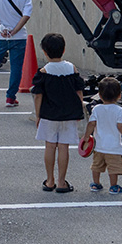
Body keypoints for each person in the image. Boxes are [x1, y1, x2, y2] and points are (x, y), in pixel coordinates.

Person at [32, 33, 84, 193]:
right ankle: (62, 182)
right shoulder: (72, 68)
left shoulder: (44, 71)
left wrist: (38, 115)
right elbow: (79, 91)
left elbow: (38, 95)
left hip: (49, 114)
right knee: (63, 147)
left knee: (50, 146)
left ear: (44, 52)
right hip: (68, 114)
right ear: (64, 49)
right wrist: (79, 110)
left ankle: (50, 181)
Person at [81, 77, 122, 194]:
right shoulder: (119, 110)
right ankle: (113, 186)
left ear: (100, 95)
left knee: (96, 166)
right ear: (119, 95)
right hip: (113, 147)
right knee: (113, 168)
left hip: (98, 146)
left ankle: (95, 184)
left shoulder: (96, 109)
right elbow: (121, 127)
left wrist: (86, 137)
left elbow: (91, 124)